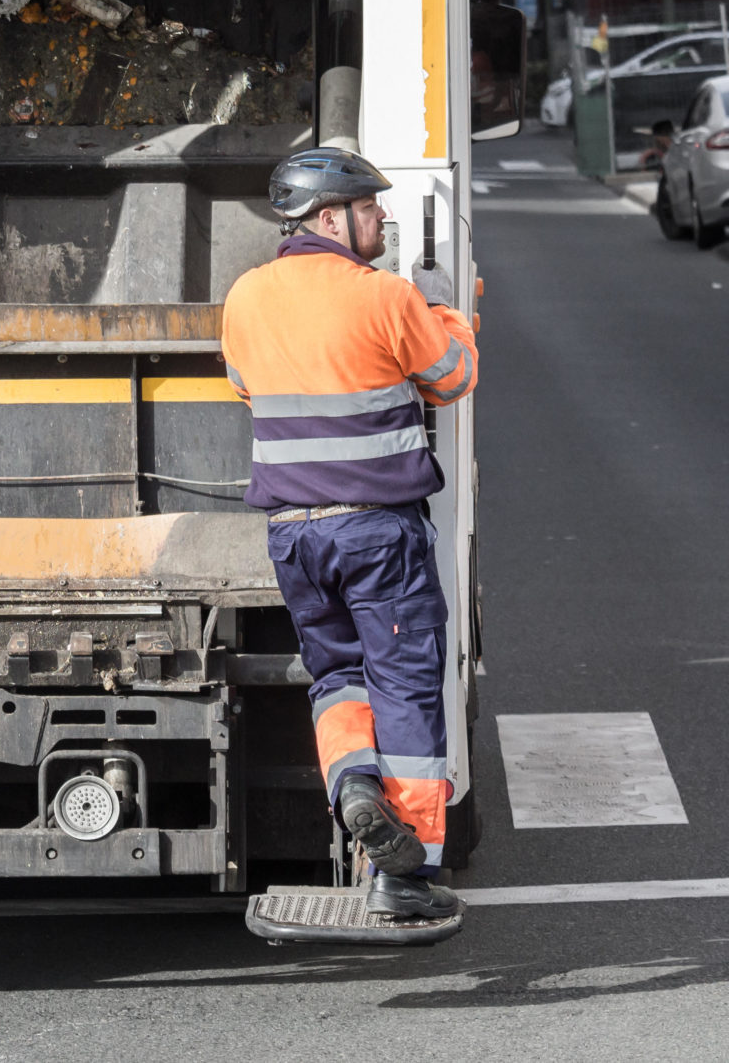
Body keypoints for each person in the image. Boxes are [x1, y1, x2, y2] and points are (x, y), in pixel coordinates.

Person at [220, 148, 477, 922]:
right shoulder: (384, 296)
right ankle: (407, 871)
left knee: (337, 679)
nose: (383, 218)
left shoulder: (244, 296)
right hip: (378, 534)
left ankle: (354, 786)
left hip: (294, 537)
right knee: (403, 685)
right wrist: (446, 307)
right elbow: (454, 376)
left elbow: (244, 385)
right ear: (329, 218)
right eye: (369, 207)